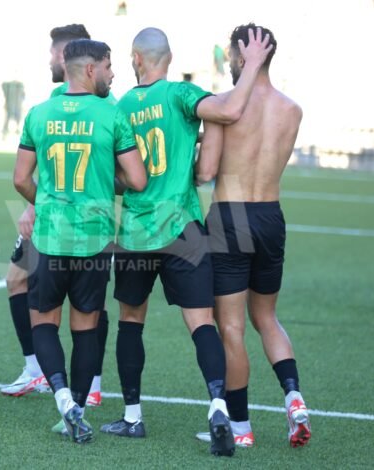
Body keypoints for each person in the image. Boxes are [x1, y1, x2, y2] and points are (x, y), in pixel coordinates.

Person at [100, 27, 271, 458]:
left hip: (137, 232)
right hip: (184, 228)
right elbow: (229, 110)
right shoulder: (181, 94)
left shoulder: (121, 107)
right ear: (169, 58)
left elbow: (118, 179)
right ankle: (218, 408)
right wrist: (252, 64)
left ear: (136, 59)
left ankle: (133, 417)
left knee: (130, 321)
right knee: (202, 324)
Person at [13, 39, 147, 443]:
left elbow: (20, 178)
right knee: (86, 326)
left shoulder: (39, 113)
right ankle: (77, 406)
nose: (112, 74)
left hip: (49, 236)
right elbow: (138, 179)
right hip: (94, 239)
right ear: (90, 70)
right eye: (108, 66)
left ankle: (62, 399)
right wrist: (104, 181)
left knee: (43, 322)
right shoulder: (111, 114)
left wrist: (46, 202)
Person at [196, 23, 311, 449]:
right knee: (267, 317)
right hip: (270, 216)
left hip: (231, 214)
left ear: (243, 57)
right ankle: (293, 397)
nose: (228, 62)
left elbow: (207, 172)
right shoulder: (292, 110)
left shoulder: (225, 106)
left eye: (231, 55)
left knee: (231, 327)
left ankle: (241, 427)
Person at [1, 24, 110, 409]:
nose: (49, 59)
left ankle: (89, 383)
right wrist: (33, 205)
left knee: (89, 307)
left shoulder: (98, 101)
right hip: (52, 218)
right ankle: (37, 370)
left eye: (53, 53)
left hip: (72, 224)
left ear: (67, 58)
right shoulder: (56, 99)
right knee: (16, 280)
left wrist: (41, 203)